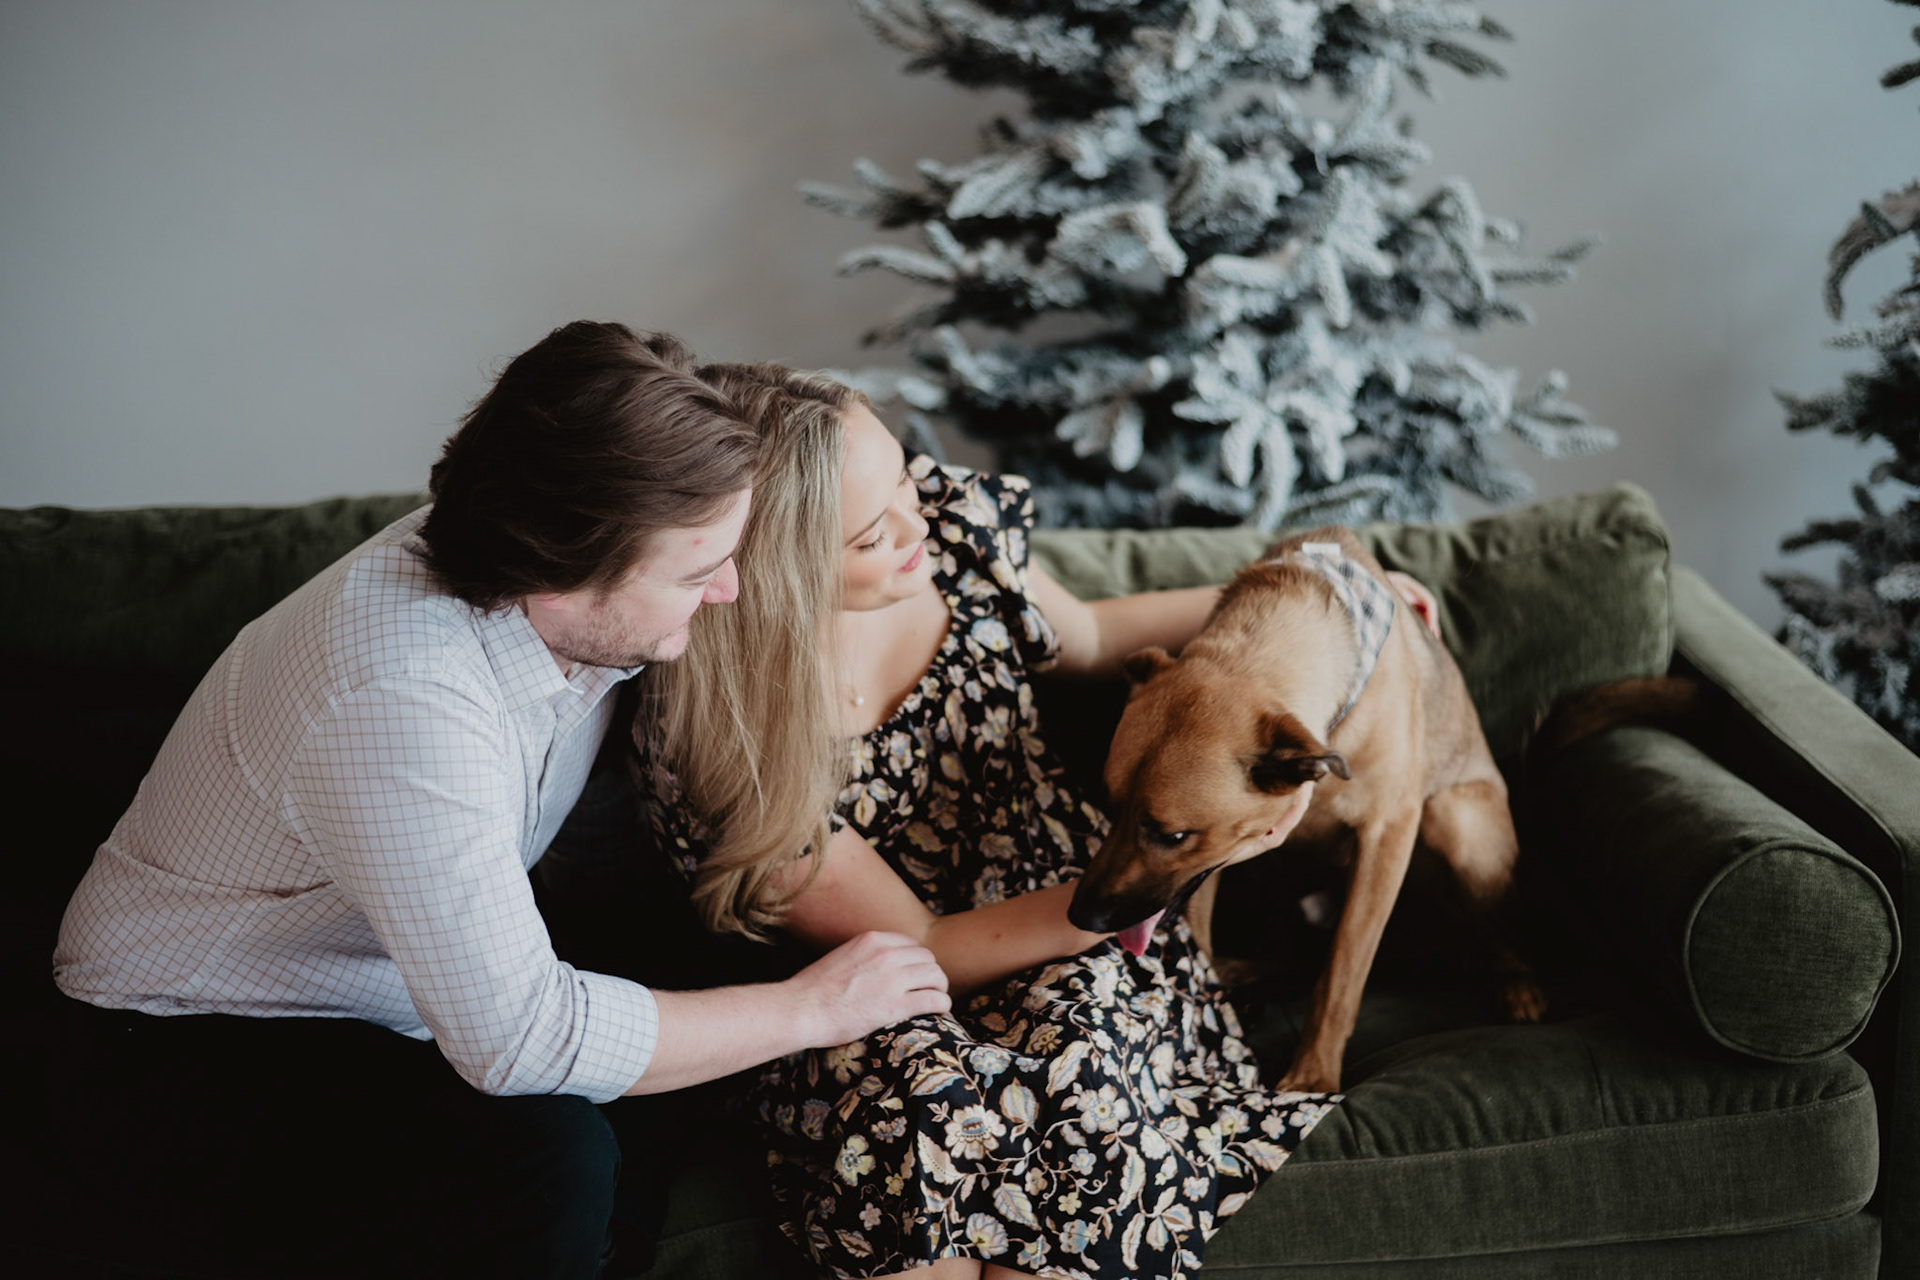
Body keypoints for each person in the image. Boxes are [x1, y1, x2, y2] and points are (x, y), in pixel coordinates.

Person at [47, 322, 950, 1280]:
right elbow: (519, 1042)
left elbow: (833, 494)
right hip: (192, 1033)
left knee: (699, 1002)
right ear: (561, 585)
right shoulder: (404, 699)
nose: (729, 589)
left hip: (383, 976)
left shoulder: (562, 538)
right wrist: (812, 1009)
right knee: (552, 1158)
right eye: (697, 573)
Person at [634, 363, 1340, 1280]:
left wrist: (1335, 600)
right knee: (910, 1101)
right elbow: (920, 944)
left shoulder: (946, 530)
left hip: (1077, 934)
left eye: (904, 479)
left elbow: (1092, 634)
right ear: (771, 570)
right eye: (870, 533)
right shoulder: (725, 736)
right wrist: (1132, 894)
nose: (915, 523)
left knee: (1080, 1052)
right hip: (889, 979)